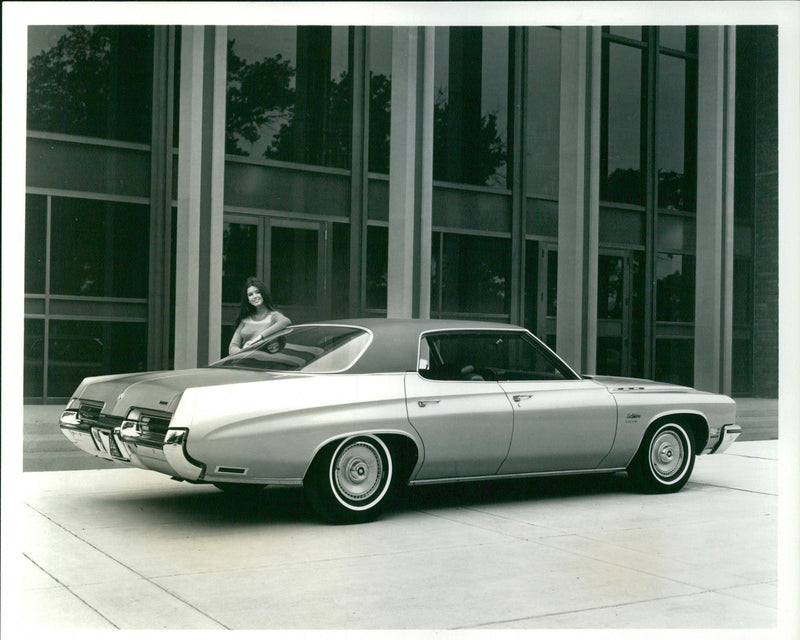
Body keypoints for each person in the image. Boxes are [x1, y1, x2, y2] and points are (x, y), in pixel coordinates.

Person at [228, 277, 291, 355]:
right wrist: (246, 352)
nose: (254, 296)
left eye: (257, 292)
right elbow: (232, 348)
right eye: (250, 294)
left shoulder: (274, 316)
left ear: (263, 294)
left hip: (265, 362)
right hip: (246, 362)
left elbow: (286, 321)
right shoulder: (244, 320)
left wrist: (258, 338)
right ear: (248, 300)